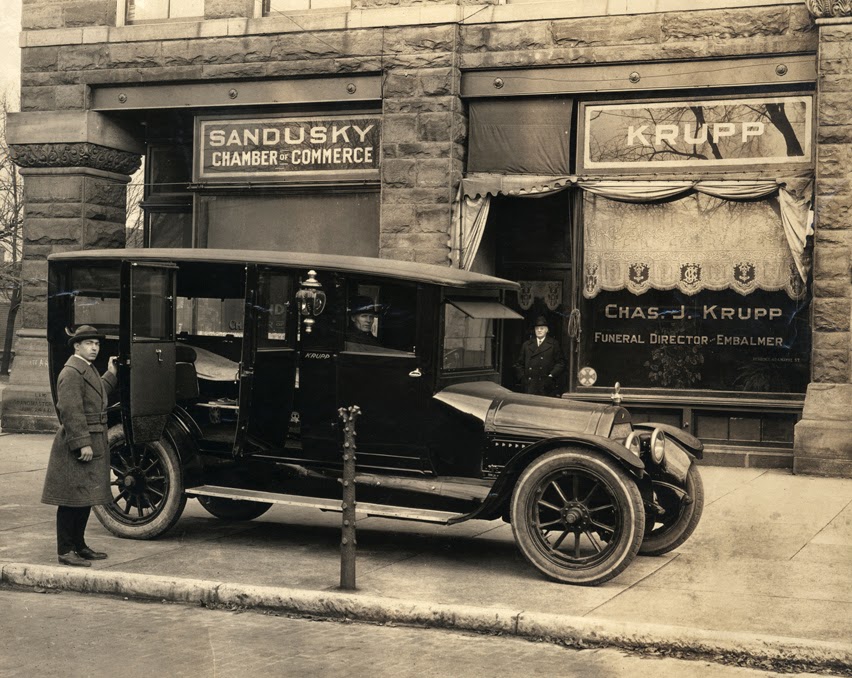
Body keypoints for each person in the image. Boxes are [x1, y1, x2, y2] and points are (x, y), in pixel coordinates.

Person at [41, 325, 118, 567]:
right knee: (70, 499)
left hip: (92, 439)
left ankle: (79, 545)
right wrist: (82, 444)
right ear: (77, 346)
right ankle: (65, 550)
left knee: (85, 497)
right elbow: (70, 411)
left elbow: (96, 397)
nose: (94, 347)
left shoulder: (88, 369)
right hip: (78, 444)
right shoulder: (72, 372)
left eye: (96, 343)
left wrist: (110, 374)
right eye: (88, 343)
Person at [514, 315, 565, 397]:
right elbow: (518, 364)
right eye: (537, 329)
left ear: (547, 330)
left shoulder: (553, 344)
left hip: (546, 385)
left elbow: (560, 363)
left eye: (542, 328)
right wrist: (523, 378)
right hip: (530, 385)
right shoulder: (527, 345)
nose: (539, 330)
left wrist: (551, 376)